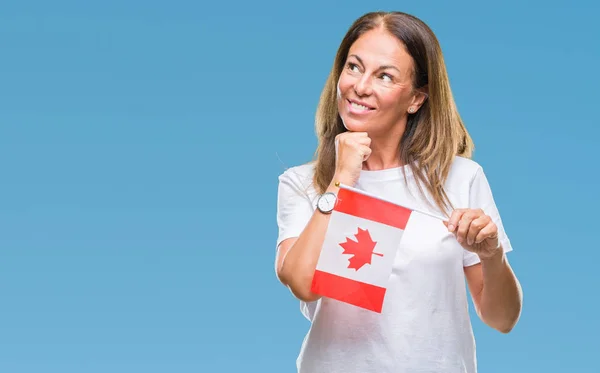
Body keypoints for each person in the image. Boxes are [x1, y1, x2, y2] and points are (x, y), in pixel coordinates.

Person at [274, 10, 523, 373]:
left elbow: (502, 319)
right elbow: (301, 283)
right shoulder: (304, 182)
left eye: (385, 76)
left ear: (416, 99)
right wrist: (340, 180)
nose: (360, 86)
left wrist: (492, 254)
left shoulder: (459, 178)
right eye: (354, 67)